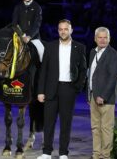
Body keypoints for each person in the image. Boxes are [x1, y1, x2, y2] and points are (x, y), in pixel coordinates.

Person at [36, 19, 87, 159]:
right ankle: (46, 152)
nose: (63, 31)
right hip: (51, 89)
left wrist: (77, 88)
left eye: (66, 29)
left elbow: (83, 70)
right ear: (58, 31)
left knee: (66, 123)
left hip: (68, 89)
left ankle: (63, 153)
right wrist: (40, 91)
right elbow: (44, 70)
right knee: (48, 122)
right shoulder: (50, 46)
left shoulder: (79, 47)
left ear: (71, 30)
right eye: (60, 29)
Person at [12, 0, 44, 149]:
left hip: (34, 38)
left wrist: (29, 36)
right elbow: (14, 23)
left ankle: (42, 81)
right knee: (4, 53)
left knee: (43, 54)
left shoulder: (37, 7)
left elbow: (37, 24)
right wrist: (19, 35)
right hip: (19, 38)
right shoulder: (18, 7)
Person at [87, 27, 117, 159]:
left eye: (105, 37)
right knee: (95, 128)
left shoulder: (114, 54)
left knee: (106, 129)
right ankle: (96, 155)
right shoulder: (92, 52)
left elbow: (113, 78)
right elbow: (90, 76)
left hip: (106, 99)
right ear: (95, 39)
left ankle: (105, 156)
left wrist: (103, 96)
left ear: (109, 39)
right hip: (92, 97)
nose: (102, 40)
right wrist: (89, 95)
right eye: (100, 37)